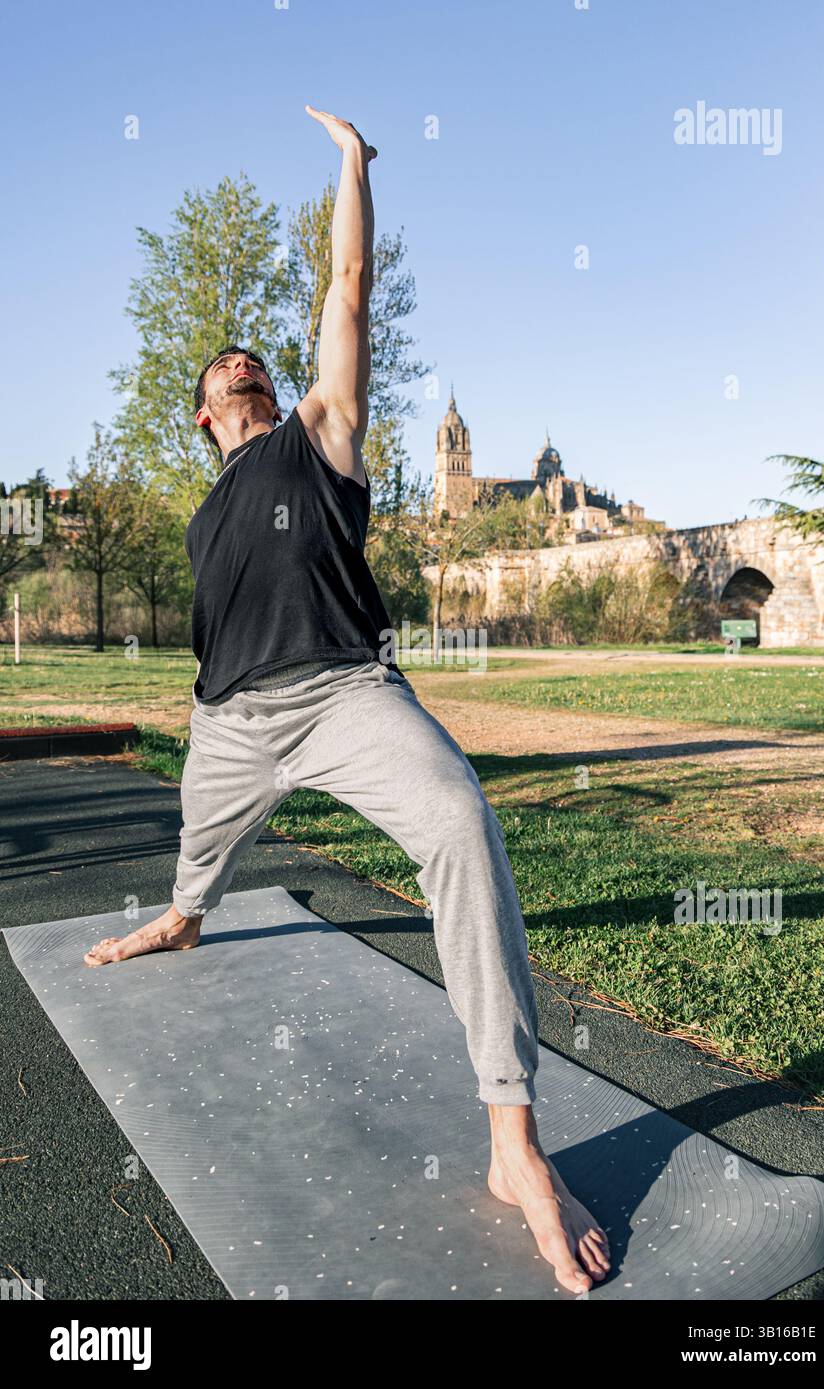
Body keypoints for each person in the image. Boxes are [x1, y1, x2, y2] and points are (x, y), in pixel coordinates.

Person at [84, 106, 610, 1294]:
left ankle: (512, 1144)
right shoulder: (200, 511)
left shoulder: (317, 433)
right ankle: (185, 914)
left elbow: (350, 287)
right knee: (192, 858)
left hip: (341, 694)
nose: (246, 375)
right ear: (206, 415)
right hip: (226, 722)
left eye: (256, 368)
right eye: (229, 377)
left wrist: (350, 166)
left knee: (461, 826)